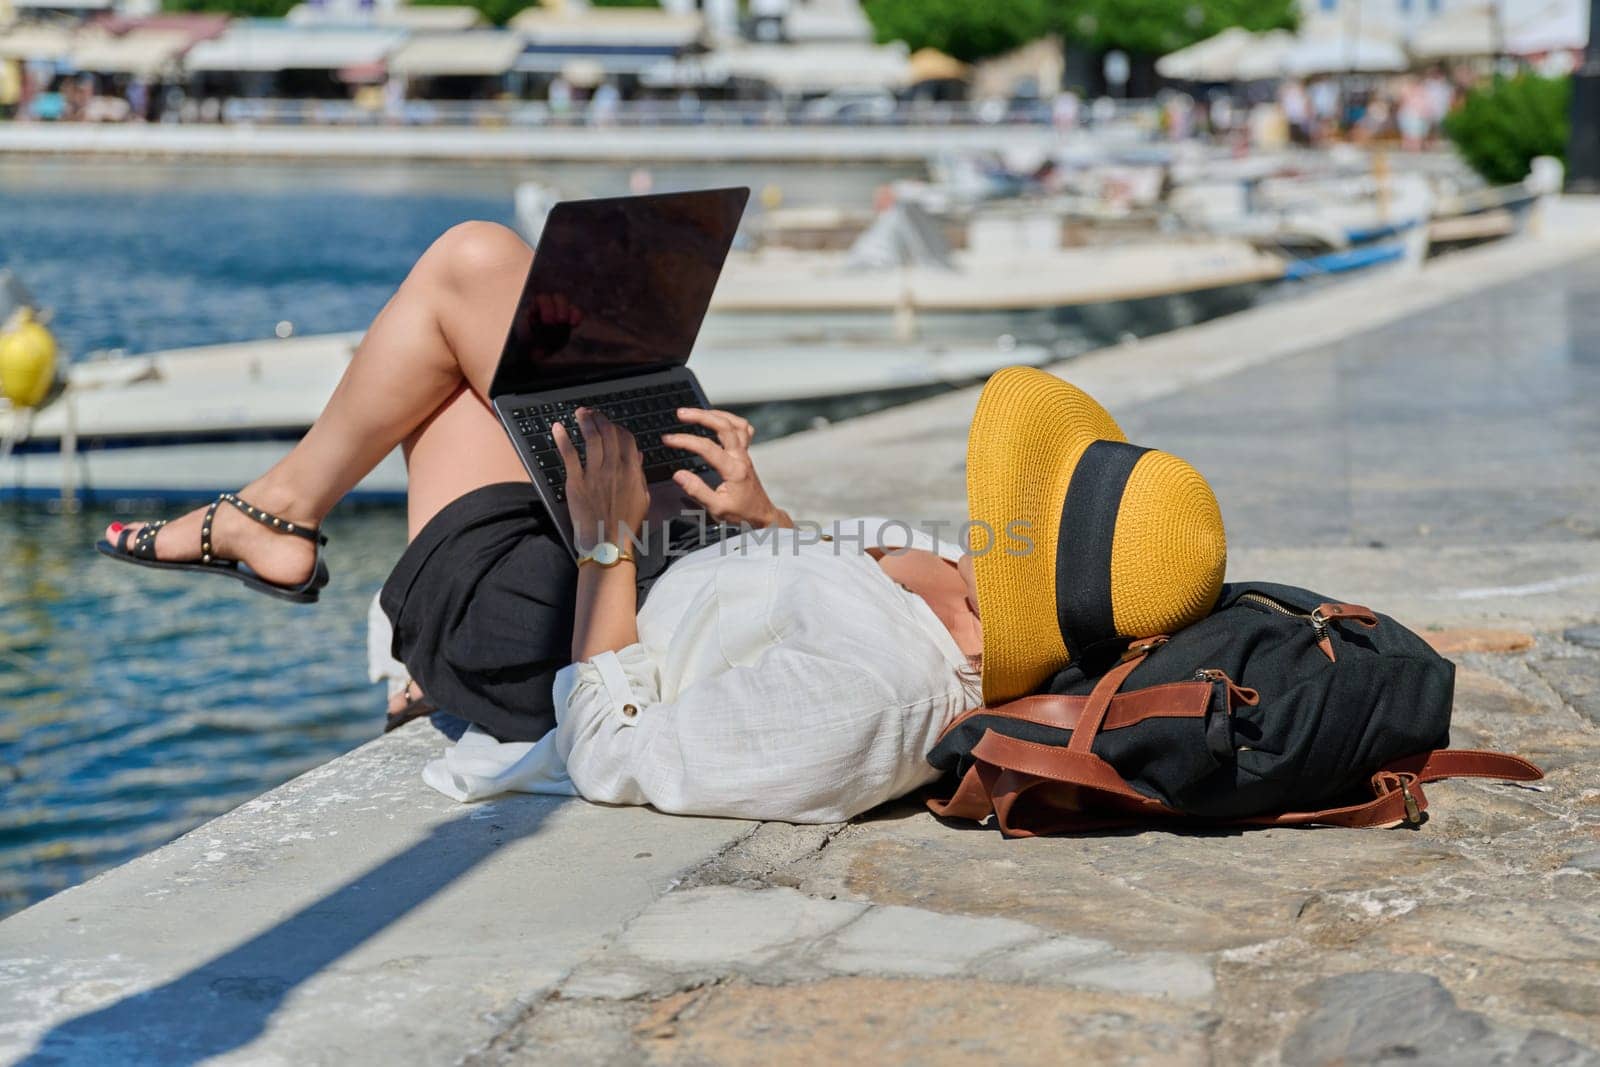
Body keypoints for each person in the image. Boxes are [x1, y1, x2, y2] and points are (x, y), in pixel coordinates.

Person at [99, 225, 1226, 823]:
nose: (998, 519)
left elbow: (620, 755)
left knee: (465, 283)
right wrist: (761, 513)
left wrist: (601, 541)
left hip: (548, 617)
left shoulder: (872, 701)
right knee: (495, 308)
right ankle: (277, 514)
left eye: (1022, 515)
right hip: (666, 556)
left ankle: (277, 519)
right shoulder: (974, 582)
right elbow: (808, 584)